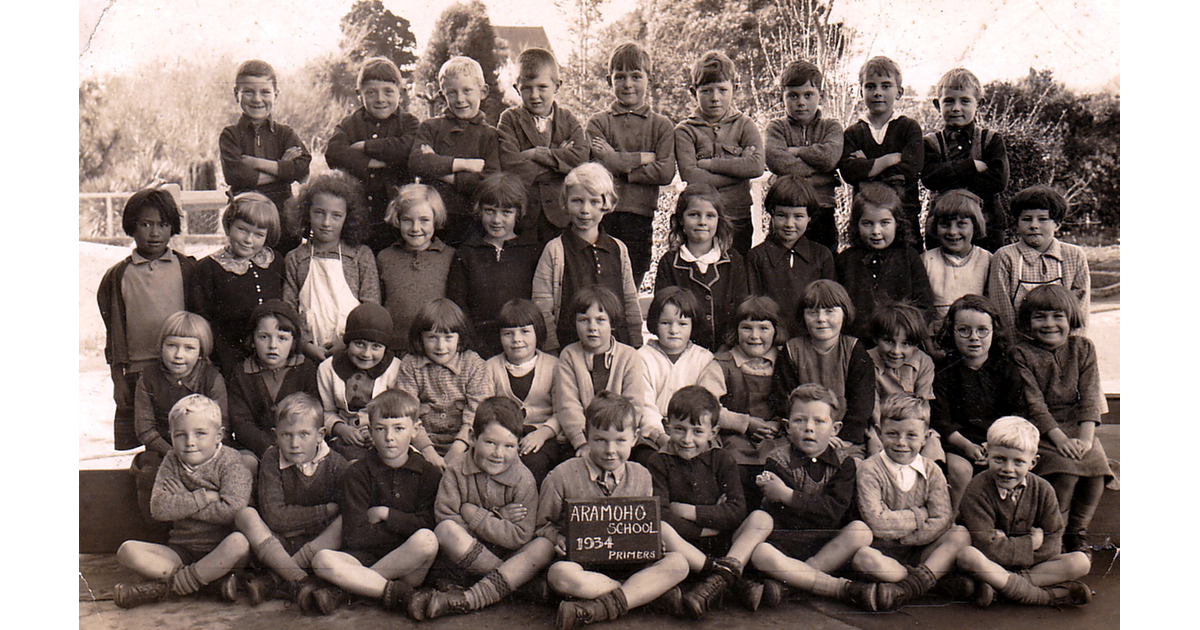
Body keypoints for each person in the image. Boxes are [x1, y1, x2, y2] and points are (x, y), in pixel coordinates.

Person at [536, 392, 691, 629]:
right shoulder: (562, 475)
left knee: (679, 562)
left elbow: (644, 525)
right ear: (587, 437)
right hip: (585, 567)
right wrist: (557, 538)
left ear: (634, 438)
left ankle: (600, 606)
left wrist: (652, 542)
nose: (610, 450)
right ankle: (644, 595)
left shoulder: (642, 475)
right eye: (600, 440)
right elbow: (542, 526)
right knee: (559, 574)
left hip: (633, 565)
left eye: (620, 440)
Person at [412, 397, 556, 619]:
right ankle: (514, 583)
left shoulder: (523, 479)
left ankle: (473, 596)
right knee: (446, 530)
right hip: (468, 558)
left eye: (509, 446)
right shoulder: (456, 469)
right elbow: (445, 518)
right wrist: (499, 519)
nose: (498, 454)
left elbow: (520, 536)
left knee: (544, 546)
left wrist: (476, 515)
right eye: (490, 443)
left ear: (518, 445)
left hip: (510, 552)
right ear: (472, 438)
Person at [311, 389, 442, 618]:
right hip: (364, 558)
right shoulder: (357, 473)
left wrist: (387, 515)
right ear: (370, 431)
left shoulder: (428, 473)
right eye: (380, 429)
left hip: (409, 563)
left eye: (399, 429)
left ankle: (350, 589)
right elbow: (354, 535)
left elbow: (429, 524)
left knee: (427, 541)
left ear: (415, 430)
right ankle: (397, 593)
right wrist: (404, 526)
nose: (389, 437)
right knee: (322, 559)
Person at [113, 395, 252, 609]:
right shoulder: (172, 460)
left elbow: (233, 511)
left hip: (220, 549)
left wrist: (183, 499)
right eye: (180, 435)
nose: (190, 442)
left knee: (239, 542)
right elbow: (159, 508)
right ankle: (208, 584)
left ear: (219, 436)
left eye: (200, 433)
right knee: (126, 550)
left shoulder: (230, 461)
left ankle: (167, 588)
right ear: (171, 436)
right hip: (181, 549)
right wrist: (204, 496)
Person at [743, 384, 875, 607]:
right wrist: (800, 504)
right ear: (787, 426)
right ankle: (836, 588)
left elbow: (833, 513)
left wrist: (787, 495)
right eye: (800, 420)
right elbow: (783, 516)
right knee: (760, 552)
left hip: (827, 545)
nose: (809, 428)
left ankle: (791, 585)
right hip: (786, 543)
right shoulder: (777, 460)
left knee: (861, 532)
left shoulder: (844, 464)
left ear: (835, 428)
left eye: (819, 421)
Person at [1010, 285, 1112, 555]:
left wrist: (1085, 440)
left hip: (1077, 427)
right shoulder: (1021, 354)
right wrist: (1060, 439)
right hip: (1040, 430)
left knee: (1097, 475)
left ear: (1071, 318)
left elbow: (1090, 396)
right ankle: (1056, 533)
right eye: (1039, 317)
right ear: (1027, 322)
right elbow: (1034, 405)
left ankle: (1076, 533)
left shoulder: (1083, 348)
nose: (1049, 324)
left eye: (1058, 316)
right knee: (1066, 474)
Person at [98, 187, 200, 451]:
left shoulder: (187, 268)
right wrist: (117, 379)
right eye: (145, 224)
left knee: (185, 432)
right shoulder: (118, 275)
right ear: (132, 226)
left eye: (162, 224)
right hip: (139, 371)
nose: (154, 233)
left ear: (172, 228)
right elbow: (114, 332)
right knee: (149, 438)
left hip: (182, 368)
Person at [955, 416, 1093, 607]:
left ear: (1033, 463)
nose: (1007, 469)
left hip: (1023, 567)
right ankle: (1043, 597)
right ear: (987, 454)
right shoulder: (977, 490)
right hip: (990, 563)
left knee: (1080, 562)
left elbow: (1053, 543)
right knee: (968, 556)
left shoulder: (1043, 490)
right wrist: (1031, 542)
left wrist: (1005, 542)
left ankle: (999, 587)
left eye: (1018, 462)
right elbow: (987, 548)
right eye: (999, 459)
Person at [850, 394, 970, 612]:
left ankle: (907, 587)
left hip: (920, 548)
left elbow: (942, 518)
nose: (901, 443)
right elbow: (877, 523)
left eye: (911, 436)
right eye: (893, 434)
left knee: (959, 534)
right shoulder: (869, 469)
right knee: (863, 558)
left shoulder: (932, 470)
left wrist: (911, 538)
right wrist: (919, 515)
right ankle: (931, 581)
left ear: (925, 437)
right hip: (882, 550)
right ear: (879, 433)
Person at [234, 393, 349, 613]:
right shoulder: (271, 459)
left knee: (345, 521)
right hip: (277, 544)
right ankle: (299, 580)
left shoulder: (336, 464)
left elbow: (343, 514)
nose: (295, 444)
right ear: (275, 436)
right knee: (245, 515)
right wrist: (326, 510)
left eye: (304, 434)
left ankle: (276, 579)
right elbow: (275, 517)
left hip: (318, 546)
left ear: (320, 435)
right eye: (287, 435)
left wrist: (321, 517)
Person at [645, 386, 747, 618]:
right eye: (679, 429)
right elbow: (661, 513)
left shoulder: (722, 460)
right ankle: (723, 580)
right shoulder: (658, 462)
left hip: (720, 545)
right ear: (665, 425)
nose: (687, 439)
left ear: (713, 432)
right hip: (680, 548)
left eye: (697, 431)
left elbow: (737, 510)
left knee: (757, 523)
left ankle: (715, 583)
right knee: (660, 530)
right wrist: (709, 523)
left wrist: (689, 511)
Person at [586, 42, 677, 285]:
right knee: (601, 277)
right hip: (603, 214)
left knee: (634, 275)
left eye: (636, 76)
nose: (628, 84)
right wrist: (642, 158)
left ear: (650, 79)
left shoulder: (661, 125)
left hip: (640, 215)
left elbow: (666, 172)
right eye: (620, 77)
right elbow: (597, 169)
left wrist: (615, 161)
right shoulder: (597, 123)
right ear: (609, 81)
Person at [532, 163, 643, 351]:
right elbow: (542, 306)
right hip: (570, 347)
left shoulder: (618, 249)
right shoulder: (555, 250)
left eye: (594, 202)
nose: (585, 210)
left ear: (606, 204)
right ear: (565, 203)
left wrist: (636, 343)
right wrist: (552, 349)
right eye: (577, 201)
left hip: (616, 347)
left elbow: (630, 300)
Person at [131, 312, 229, 522]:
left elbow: (222, 424)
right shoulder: (148, 378)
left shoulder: (211, 379)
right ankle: (158, 537)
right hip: (163, 451)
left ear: (201, 352)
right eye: (172, 345)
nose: (178, 355)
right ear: (161, 346)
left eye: (189, 348)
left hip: (205, 452)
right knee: (149, 476)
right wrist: (174, 455)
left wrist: (197, 457)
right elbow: (145, 430)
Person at [931, 295, 1025, 512]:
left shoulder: (1006, 369)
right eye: (964, 330)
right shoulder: (944, 371)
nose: (974, 337)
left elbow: (1016, 414)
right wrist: (966, 445)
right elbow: (941, 419)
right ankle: (955, 521)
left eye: (982, 330)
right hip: (959, 442)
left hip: (998, 442)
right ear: (951, 332)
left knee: (1004, 468)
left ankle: (992, 523)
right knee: (960, 470)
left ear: (994, 332)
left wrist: (994, 444)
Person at [325, 56, 421, 253]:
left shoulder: (409, 122)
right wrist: (374, 163)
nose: (380, 99)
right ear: (359, 94)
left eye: (388, 92)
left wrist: (365, 146)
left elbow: (408, 148)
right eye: (371, 93)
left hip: (397, 212)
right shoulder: (349, 124)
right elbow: (333, 153)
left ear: (401, 93)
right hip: (359, 212)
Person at [282, 170, 380, 362]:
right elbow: (289, 309)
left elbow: (371, 306)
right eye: (319, 213)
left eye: (336, 216)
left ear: (348, 218)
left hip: (353, 351)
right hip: (309, 354)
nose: (326, 223)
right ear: (306, 212)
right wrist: (306, 345)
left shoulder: (360, 255)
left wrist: (347, 342)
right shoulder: (296, 258)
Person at [771, 280, 875, 459]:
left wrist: (843, 438)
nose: (821, 319)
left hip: (842, 440)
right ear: (803, 315)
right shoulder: (792, 350)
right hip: (799, 438)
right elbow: (783, 400)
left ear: (845, 313)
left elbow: (862, 404)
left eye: (830, 311)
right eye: (812, 312)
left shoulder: (854, 350)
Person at [554, 286, 661, 460]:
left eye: (600, 320)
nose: (592, 327)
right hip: (582, 438)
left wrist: (618, 441)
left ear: (612, 323)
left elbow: (634, 403)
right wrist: (582, 442)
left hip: (621, 437)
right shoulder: (569, 355)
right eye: (584, 320)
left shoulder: (628, 356)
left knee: (647, 459)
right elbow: (568, 405)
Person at [674, 50, 765, 257]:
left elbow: (757, 167)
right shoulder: (685, 130)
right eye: (706, 91)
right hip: (700, 221)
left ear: (735, 88)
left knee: (736, 272)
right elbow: (691, 176)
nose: (715, 98)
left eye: (722, 90)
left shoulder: (745, 125)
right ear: (693, 91)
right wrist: (738, 166)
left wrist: (711, 165)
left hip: (738, 216)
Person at [446, 172, 546, 359]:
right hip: (477, 347)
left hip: (521, 345)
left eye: (506, 212)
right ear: (479, 210)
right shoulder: (467, 253)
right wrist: (472, 345)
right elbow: (458, 304)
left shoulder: (532, 251)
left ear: (518, 213)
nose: (497, 220)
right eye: (490, 210)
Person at [218, 59, 310, 254]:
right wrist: (283, 169)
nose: (257, 99)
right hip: (244, 221)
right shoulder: (230, 135)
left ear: (275, 94)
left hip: (282, 219)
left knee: (283, 271)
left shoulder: (285, 133)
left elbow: (302, 169)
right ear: (237, 94)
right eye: (248, 92)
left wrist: (256, 163)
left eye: (265, 92)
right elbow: (236, 176)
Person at [498, 47, 590, 243]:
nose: (534, 95)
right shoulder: (509, 119)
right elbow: (508, 161)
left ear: (557, 86)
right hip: (522, 215)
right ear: (516, 88)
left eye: (542, 87)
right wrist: (558, 160)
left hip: (560, 216)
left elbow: (581, 158)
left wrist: (534, 154)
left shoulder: (568, 120)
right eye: (527, 88)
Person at [409, 56, 501, 247]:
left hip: (472, 224)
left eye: (467, 90)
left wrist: (441, 170)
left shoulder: (490, 135)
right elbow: (417, 163)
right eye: (451, 93)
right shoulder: (430, 127)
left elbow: (489, 182)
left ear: (483, 92)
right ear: (443, 95)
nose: (460, 99)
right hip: (432, 224)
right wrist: (464, 165)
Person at [192, 191, 286, 376]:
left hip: (273, 356)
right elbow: (201, 318)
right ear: (229, 225)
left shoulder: (275, 261)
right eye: (242, 229)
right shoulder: (208, 267)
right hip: (228, 360)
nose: (248, 240)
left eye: (258, 234)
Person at [395, 298, 492, 470]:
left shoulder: (473, 363)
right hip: (420, 442)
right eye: (432, 338)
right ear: (421, 338)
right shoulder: (410, 364)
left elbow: (477, 411)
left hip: (465, 443)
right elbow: (407, 412)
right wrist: (427, 450)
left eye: (448, 338)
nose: (440, 346)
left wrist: (457, 448)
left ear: (460, 338)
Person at [921, 68, 1009, 252]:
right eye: (949, 101)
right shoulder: (931, 143)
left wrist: (949, 174)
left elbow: (998, 181)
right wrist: (971, 166)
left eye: (965, 101)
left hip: (987, 226)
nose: (956, 108)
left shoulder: (990, 140)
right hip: (943, 228)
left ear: (979, 104)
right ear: (938, 105)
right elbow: (930, 178)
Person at [839, 56, 923, 249]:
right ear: (860, 91)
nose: (878, 93)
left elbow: (910, 171)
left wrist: (868, 167)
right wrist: (889, 159)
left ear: (899, 92)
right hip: (866, 221)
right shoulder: (853, 133)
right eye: (870, 87)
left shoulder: (908, 128)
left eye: (886, 86)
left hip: (904, 218)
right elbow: (849, 172)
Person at [653, 183, 748, 352]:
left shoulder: (733, 260)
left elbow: (742, 309)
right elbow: (663, 313)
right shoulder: (670, 263)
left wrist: (726, 349)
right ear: (681, 219)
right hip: (683, 353)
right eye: (694, 215)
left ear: (719, 220)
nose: (702, 222)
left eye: (710, 216)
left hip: (727, 353)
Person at [835, 182, 933, 341]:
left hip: (898, 343)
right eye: (867, 223)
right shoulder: (846, 260)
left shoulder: (909, 257)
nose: (876, 231)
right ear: (856, 224)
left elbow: (924, 306)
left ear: (897, 223)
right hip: (856, 343)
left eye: (884, 223)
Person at [227, 300, 320, 466]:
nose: (272, 346)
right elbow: (242, 424)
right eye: (264, 337)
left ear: (294, 341)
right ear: (253, 339)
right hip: (256, 448)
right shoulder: (241, 373)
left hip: (297, 443)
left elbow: (313, 413)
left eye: (282, 338)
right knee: (245, 463)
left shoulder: (305, 369)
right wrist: (269, 448)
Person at [987, 185, 1090, 333]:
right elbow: (1003, 312)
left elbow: (1080, 310)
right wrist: (1018, 352)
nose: (1034, 225)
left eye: (1042, 219)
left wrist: (1073, 349)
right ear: (1017, 224)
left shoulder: (1074, 255)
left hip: (1064, 345)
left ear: (1057, 224)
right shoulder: (1005, 257)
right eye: (1027, 219)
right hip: (1020, 347)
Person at [763, 60, 844, 251]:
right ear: (782, 97)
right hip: (786, 209)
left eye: (808, 95)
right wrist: (819, 168)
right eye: (793, 96)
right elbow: (776, 161)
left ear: (821, 97)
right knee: (780, 261)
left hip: (822, 208)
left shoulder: (831, 127)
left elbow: (830, 158)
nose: (801, 102)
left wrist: (796, 151)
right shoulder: (776, 128)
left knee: (824, 260)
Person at [484, 299, 563, 486]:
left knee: (535, 462)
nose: (516, 340)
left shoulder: (553, 366)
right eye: (508, 334)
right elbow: (485, 410)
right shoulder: (490, 367)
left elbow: (563, 411)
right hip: (502, 437)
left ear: (538, 333)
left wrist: (543, 433)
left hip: (542, 436)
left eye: (525, 332)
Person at [376, 184, 455, 352]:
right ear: (398, 219)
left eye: (424, 220)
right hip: (395, 349)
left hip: (437, 349)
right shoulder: (385, 258)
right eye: (407, 220)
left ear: (436, 219)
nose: (415, 228)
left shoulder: (450, 257)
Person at [317, 303, 402, 461]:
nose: (366, 354)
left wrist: (377, 431)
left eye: (376, 347)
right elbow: (326, 411)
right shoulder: (328, 368)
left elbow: (399, 412)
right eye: (359, 344)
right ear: (347, 342)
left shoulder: (395, 369)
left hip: (385, 437)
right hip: (343, 439)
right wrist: (340, 429)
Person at [745, 175, 836, 321]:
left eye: (798, 216)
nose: (789, 224)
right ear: (771, 214)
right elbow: (754, 304)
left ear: (810, 217)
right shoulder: (757, 256)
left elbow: (828, 303)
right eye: (782, 215)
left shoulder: (821, 255)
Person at [636, 287, 725, 436]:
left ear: (692, 325)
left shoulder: (704, 358)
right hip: (653, 433)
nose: (674, 330)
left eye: (682, 324)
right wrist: (660, 435)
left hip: (692, 432)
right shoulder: (642, 357)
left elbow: (708, 405)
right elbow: (645, 406)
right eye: (665, 323)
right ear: (655, 324)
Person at [865, 303, 940, 461]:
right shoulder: (866, 360)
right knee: (877, 447)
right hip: (880, 425)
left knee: (933, 446)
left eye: (905, 344)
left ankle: (926, 483)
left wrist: (911, 434)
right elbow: (874, 407)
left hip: (913, 425)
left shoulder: (924, 362)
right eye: (889, 341)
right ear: (876, 338)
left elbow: (922, 405)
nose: (896, 351)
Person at [920, 189, 993, 320]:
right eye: (945, 225)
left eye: (961, 224)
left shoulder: (987, 260)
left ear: (975, 226)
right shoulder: (927, 261)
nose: (953, 232)